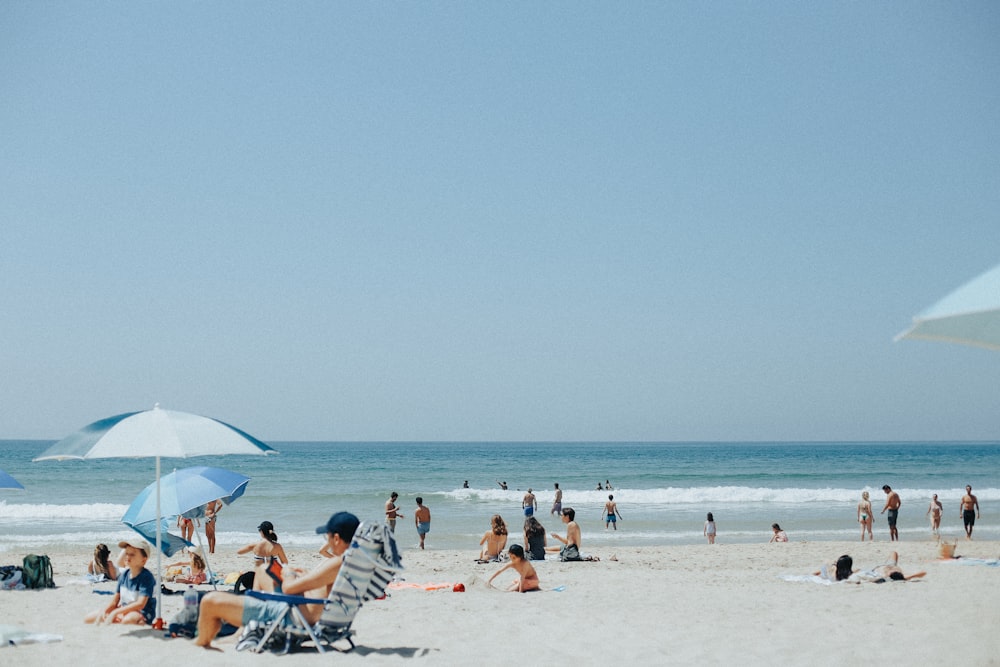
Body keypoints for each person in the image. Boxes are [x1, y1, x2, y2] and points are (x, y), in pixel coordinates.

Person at [195, 511, 361, 650]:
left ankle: (202, 645)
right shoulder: (353, 562)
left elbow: (289, 589)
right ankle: (242, 631)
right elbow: (322, 586)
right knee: (262, 570)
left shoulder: (337, 563)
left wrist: (288, 573)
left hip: (292, 613)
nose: (327, 540)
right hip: (304, 605)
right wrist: (305, 575)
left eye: (329, 536)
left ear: (337, 538)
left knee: (209, 601)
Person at [85, 539, 156, 625]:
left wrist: (116, 612)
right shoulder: (124, 575)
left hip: (142, 612)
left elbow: (140, 604)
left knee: (128, 620)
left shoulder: (146, 577)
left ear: (143, 560)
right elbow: (114, 601)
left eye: (132, 554)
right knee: (90, 618)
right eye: (126, 553)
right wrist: (105, 611)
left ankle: (138, 621)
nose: (128, 557)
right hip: (123, 610)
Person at [237, 520, 288, 592]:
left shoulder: (255, 545)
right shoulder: (277, 546)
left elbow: (239, 552)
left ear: (262, 532)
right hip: (272, 579)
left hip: (259, 579)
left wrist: (251, 547)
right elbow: (285, 562)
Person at [847, 551, 927, 583]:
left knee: (858, 570)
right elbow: (923, 572)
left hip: (878, 568)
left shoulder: (884, 575)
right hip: (891, 565)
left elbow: (922, 573)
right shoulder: (900, 574)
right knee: (894, 552)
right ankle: (884, 563)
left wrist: (907, 577)